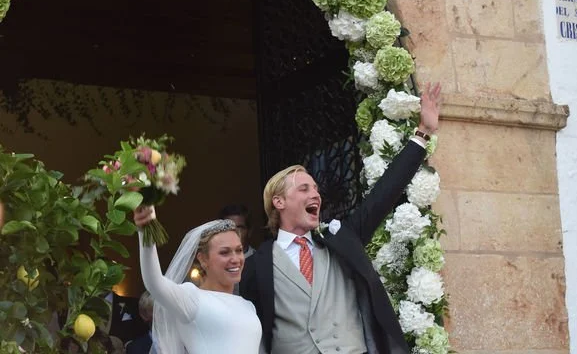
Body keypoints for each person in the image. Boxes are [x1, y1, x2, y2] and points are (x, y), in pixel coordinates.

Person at [240, 83, 442, 354]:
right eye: (304, 189)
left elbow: (383, 194)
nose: (316, 195)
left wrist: (423, 133)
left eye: (315, 189)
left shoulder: (341, 240)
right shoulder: (256, 266)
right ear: (279, 202)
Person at [133, 209, 262, 354]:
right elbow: (154, 281)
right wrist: (145, 229)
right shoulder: (191, 299)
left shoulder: (248, 306)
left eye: (238, 250)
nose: (235, 259)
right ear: (203, 259)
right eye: (224, 252)